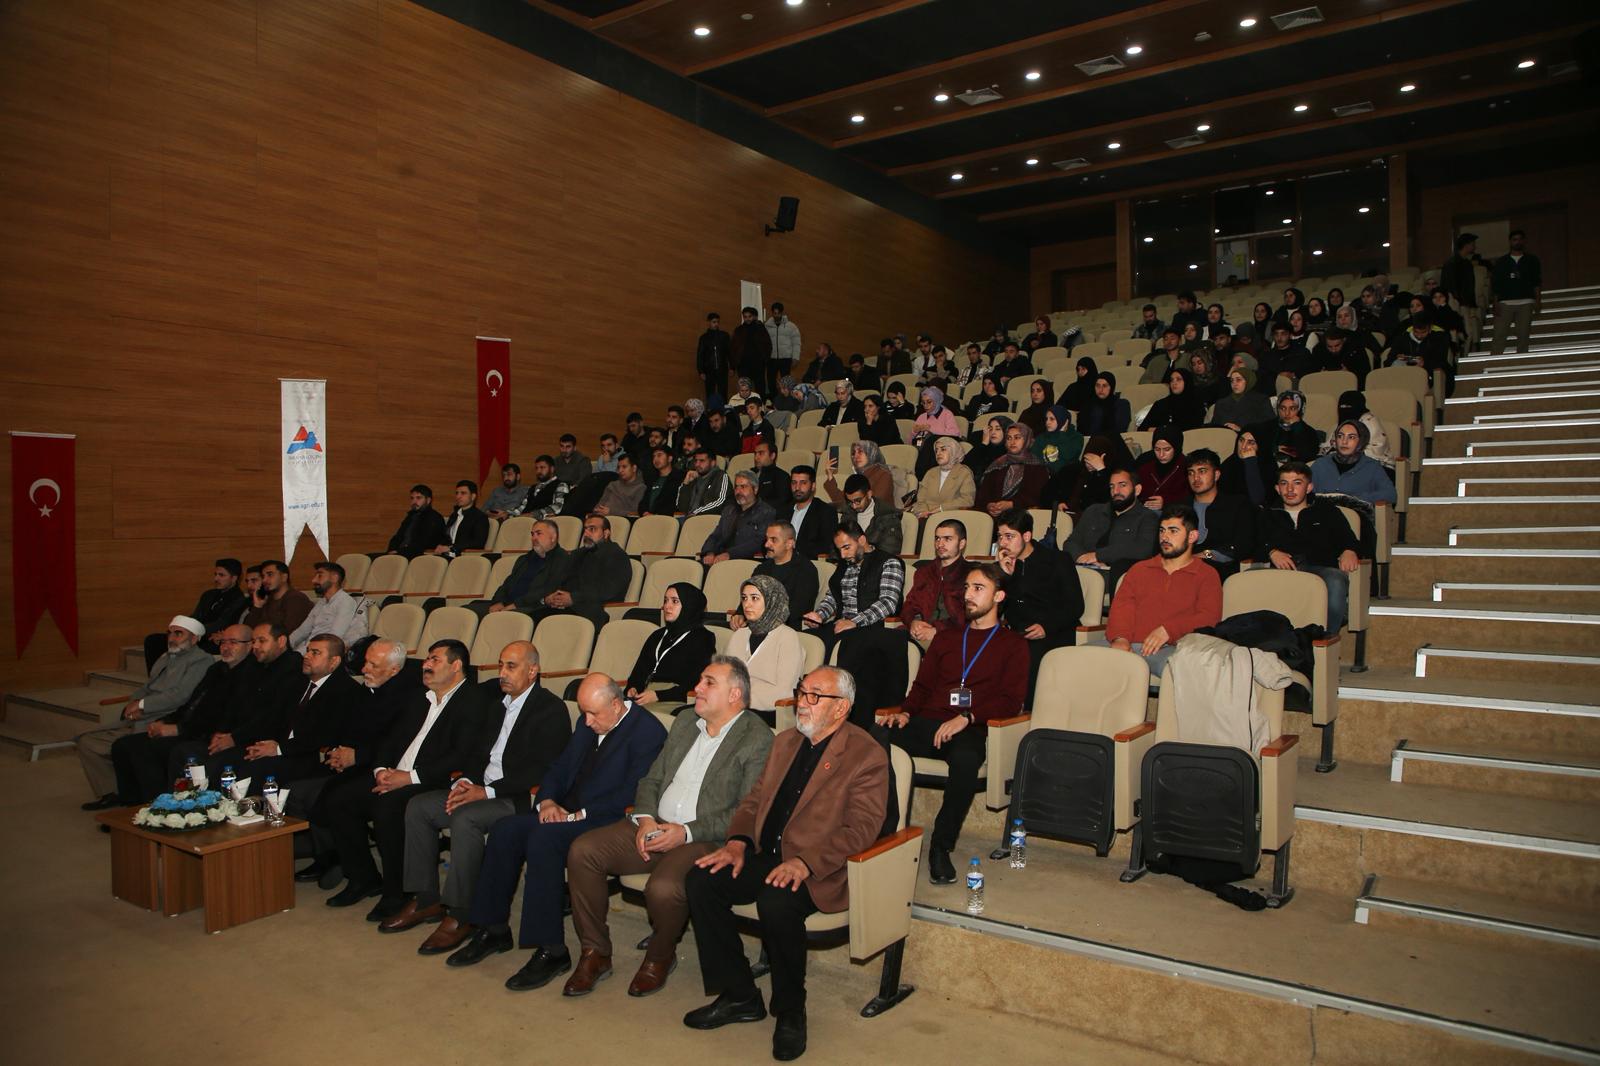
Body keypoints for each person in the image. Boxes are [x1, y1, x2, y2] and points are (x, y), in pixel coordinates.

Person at [683, 666, 888, 1062]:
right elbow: (754, 801)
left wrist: (805, 862)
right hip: (767, 854)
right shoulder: (785, 742)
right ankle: (740, 995)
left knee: (776, 900)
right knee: (702, 879)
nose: (802, 703)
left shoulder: (866, 755)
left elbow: (861, 830)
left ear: (841, 707)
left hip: (821, 867)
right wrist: (739, 843)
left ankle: (791, 1010)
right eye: (801, 692)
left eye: (815, 696)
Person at [563, 658, 774, 997]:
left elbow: (744, 811)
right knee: (583, 851)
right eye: (700, 680)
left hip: (703, 838)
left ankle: (660, 956)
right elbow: (652, 778)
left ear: (735, 694)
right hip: (655, 824)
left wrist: (685, 832)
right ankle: (595, 952)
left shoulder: (757, 738)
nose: (697, 688)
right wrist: (646, 817)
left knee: (663, 888)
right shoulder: (686, 721)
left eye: (709, 683)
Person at [445, 674, 668, 987]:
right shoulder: (589, 721)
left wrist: (578, 815)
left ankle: (551, 949)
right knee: (506, 830)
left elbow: (635, 792)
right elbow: (561, 767)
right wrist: (548, 800)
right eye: (584, 713)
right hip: (567, 810)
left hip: (606, 819)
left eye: (594, 714)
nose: (587, 721)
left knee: (544, 839)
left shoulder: (647, 732)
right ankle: (493, 928)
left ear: (617, 705)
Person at [382, 640, 574, 944]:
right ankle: (426, 898)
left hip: (516, 797)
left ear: (533, 671)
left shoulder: (550, 709)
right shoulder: (496, 705)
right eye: (500, 665)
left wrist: (486, 792)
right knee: (419, 807)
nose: (502, 673)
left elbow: (540, 770)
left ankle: (461, 912)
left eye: (511, 666)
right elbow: (475, 755)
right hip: (481, 788)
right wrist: (465, 783)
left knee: (465, 818)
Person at [316, 639, 491, 914]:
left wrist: (408, 778)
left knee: (387, 807)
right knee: (340, 798)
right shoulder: (419, 697)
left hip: (432, 779)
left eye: (434, 660)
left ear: (456, 666)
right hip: (395, 774)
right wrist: (381, 770)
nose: (426, 665)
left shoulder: (474, 701)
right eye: (427, 659)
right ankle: (363, 878)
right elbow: (391, 739)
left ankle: (397, 892)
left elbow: (461, 755)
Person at [878, 563, 1027, 884]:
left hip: (968, 728)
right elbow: (922, 687)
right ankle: (883, 834)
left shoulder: (1013, 645)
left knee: (966, 760)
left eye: (978, 588)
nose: (968, 595)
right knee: (875, 737)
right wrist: (905, 712)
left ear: (999, 596)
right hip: (927, 721)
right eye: (967, 588)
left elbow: (1010, 700)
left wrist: (968, 716)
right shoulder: (947, 638)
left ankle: (940, 847)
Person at [291, 638, 425, 889]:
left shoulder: (410, 697)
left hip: (382, 767)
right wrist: (339, 752)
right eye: (366, 663)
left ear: (394, 670)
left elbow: (396, 744)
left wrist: (357, 756)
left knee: (335, 797)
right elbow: (348, 728)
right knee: (301, 790)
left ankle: (357, 874)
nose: (364, 670)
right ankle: (331, 858)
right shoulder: (367, 689)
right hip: (356, 762)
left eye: (373, 665)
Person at [77, 615, 215, 810]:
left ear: (194, 639)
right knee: (87, 742)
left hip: (163, 717)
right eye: (170, 633)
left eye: (178, 634)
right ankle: (111, 793)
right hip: (142, 715)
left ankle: (137, 801)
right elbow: (147, 687)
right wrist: (133, 704)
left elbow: (180, 696)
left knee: (129, 747)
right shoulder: (166, 657)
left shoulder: (201, 661)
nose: (172, 638)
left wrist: (142, 705)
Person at [111, 624, 258, 804]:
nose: (226, 647)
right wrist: (165, 721)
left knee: (149, 751)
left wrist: (179, 729)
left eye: (233, 642)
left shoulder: (251, 674)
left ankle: (159, 806)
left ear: (250, 645)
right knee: (123, 745)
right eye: (223, 642)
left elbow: (223, 718)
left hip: (209, 736)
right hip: (191, 728)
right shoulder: (216, 669)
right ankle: (131, 807)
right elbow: (192, 705)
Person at [224, 632, 364, 793]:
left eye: (315, 653)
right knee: (234, 758)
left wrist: (279, 749)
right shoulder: (297, 682)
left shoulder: (347, 691)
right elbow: (273, 717)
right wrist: (262, 744)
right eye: (308, 650)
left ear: (334, 661)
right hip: (283, 749)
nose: (307, 656)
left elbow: (324, 735)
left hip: (312, 757)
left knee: (257, 768)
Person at [802, 523, 907, 725]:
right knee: (805, 639)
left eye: (846, 547)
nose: (843, 555)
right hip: (843, 626)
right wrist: (820, 615)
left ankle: (838, 710)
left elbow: (888, 603)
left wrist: (855, 622)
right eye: (839, 549)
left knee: (852, 646)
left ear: (862, 540)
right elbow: (832, 598)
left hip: (870, 627)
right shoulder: (845, 565)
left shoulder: (889, 562)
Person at [1106, 504, 1223, 678]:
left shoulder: (1207, 575)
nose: (1165, 537)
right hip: (1128, 645)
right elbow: (1121, 608)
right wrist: (1120, 638)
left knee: (1180, 669)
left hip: (1171, 648)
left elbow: (1209, 618)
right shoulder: (1140, 569)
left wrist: (1168, 630)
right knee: (1073, 659)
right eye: (1162, 530)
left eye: (1173, 531)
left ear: (1192, 536)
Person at [1259, 462, 1361, 633]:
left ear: (1309, 487)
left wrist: (1349, 550)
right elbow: (1252, 542)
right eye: (1284, 483)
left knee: (1335, 579)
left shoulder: (1327, 512)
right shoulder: (1266, 515)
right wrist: (1271, 551)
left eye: (1297, 483)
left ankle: (1326, 637)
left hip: (1319, 569)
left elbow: (1349, 538)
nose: (1290, 489)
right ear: (1277, 488)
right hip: (1280, 571)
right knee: (1245, 579)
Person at [994, 509, 1083, 700]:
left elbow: (1075, 606)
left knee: (1028, 655)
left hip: (1055, 630)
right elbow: (998, 610)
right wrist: (1006, 577)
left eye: (1009, 536)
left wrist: (1046, 626)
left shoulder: (1057, 560)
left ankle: (1027, 711)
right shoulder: (1001, 567)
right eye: (1000, 537)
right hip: (1019, 632)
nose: (1003, 543)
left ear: (1026, 536)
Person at [527, 514, 632, 631]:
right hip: (566, 607)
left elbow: (608, 589)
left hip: (591, 609)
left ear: (606, 533)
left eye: (592, 529)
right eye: (585, 529)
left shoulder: (616, 555)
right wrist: (549, 597)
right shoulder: (578, 554)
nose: (586, 533)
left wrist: (573, 598)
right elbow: (559, 579)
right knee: (529, 619)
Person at [726, 577, 806, 726]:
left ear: (772, 601)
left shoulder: (787, 637)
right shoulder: (739, 635)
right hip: (734, 706)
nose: (747, 604)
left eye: (754, 598)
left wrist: (739, 697)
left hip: (767, 712)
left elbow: (785, 691)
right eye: (744, 598)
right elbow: (725, 678)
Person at [141, 558, 244, 669]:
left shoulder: (239, 599)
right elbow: (195, 616)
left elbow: (222, 623)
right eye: (215, 574)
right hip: (193, 633)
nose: (216, 578)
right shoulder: (208, 595)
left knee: (186, 646)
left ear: (234, 578)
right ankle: (158, 676)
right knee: (153, 640)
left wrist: (192, 631)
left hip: (211, 638)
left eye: (221, 575)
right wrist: (182, 628)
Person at [623, 584, 717, 707]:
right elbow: (638, 673)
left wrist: (658, 695)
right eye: (666, 600)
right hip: (644, 696)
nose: (667, 606)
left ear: (689, 606)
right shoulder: (657, 635)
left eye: (675, 601)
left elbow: (697, 683)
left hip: (674, 699)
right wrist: (633, 688)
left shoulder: (702, 638)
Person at [1064, 468, 1159, 587]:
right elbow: (1071, 543)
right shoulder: (1094, 511)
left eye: (1122, 485)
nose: (1116, 491)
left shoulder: (1147, 517)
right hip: (1081, 570)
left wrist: (1098, 556)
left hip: (1115, 575)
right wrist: (1083, 558)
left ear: (1137, 490)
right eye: (1112, 486)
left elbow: (1143, 549)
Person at [1185, 449, 1256, 579]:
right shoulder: (1179, 508)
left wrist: (1207, 555)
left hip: (1221, 572)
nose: (1196, 478)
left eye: (1202, 471)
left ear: (1216, 475)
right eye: (1191, 473)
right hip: (1182, 571)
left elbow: (1243, 545)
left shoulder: (1237, 505)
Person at [734, 522, 817, 631]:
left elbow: (797, 610)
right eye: (767, 539)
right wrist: (739, 614)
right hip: (755, 624)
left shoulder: (806, 570)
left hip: (785, 629)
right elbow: (749, 597)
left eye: (773, 540)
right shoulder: (762, 568)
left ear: (789, 544)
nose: (766, 544)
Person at [901, 518, 969, 645]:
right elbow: (910, 605)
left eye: (947, 539)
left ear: (961, 543)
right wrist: (914, 621)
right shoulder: (924, 572)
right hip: (918, 632)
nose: (940, 544)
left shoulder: (971, 574)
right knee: (882, 641)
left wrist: (937, 630)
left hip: (953, 635)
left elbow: (970, 615)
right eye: (937, 538)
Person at [482, 519, 563, 617]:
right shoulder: (524, 559)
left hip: (533, 608)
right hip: (507, 604)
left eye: (539, 534)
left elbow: (546, 591)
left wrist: (516, 605)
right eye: (532, 534)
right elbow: (507, 584)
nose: (534, 538)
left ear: (553, 537)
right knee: (471, 611)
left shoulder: (562, 560)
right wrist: (499, 602)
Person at [698, 470, 776, 565]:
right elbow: (715, 536)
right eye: (736, 487)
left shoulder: (766, 512)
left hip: (746, 561)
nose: (738, 492)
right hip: (720, 559)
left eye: (743, 487)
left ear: (755, 489)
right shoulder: (729, 510)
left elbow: (759, 542)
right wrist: (709, 553)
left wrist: (730, 554)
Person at [288, 560, 369, 653]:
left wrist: (303, 652)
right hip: (307, 649)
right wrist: (284, 646)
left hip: (320, 652)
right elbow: (302, 630)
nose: (313, 580)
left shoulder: (345, 601)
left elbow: (334, 637)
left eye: (320, 575)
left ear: (334, 578)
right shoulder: (321, 603)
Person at [976, 422, 1048, 516]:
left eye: (1017, 437)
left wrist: (1011, 504)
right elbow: (983, 494)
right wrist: (989, 505)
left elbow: (1037, 497)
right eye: (1009, 438)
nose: (1012, 442)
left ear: (1027, 440)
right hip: (993, 516)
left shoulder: (1037, 467)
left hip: (1023, 516)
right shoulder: (997, 464)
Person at [1490, 229, 1541, 355]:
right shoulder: (1501, 262)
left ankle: (1522, 361)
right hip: (1505, 302)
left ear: (1524, 241)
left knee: (1523, 334)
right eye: (1514, 240)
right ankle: (1494, 361)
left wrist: (1538, 300)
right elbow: (1496, 284)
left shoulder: (1532, 260)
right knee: (1499, 334)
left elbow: (1536, 282)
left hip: (1526, 301)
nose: (1517, 242)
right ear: (1510, 242)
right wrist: (1495, 302)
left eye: (1520, 239)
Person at [833, 473, 903, 555]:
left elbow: (889, 553)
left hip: (876, 561)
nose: (854, 506)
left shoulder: (889, 516)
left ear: (869, 494)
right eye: (850, 502)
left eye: (858, 501)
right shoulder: (847, 513)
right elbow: (836, 548)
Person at [241, 559, 314, 636]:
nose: (264, 580)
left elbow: (289, 633)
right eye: (263, 576)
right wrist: (257, 606)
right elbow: (248, 631)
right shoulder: (267, 600)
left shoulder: (296, 598)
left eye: (270, 575)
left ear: (284, 577)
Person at [776, 465, 832, 561]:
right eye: (794, 483)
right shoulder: (782, 511)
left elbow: (825, 546)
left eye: (803, 483)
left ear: (813, 486)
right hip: (780, 561)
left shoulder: (825, 512)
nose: (797, 488)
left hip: (807, 563)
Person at [1439, 233, 1483, 350]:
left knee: (1467, 333)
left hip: (1464, 302)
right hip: (1456, 302)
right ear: (1466, 245)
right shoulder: (1452, 263)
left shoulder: (1466, 263)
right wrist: (1457, 301)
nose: (1474, 246)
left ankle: (1464, 353)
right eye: (1472, 244)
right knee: (1460, 332)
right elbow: (1450, 285)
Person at [823, 441, 896, 512]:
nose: (856, 456)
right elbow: (841, 499)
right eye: (853, 453)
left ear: (871, 454)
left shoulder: (884, 475)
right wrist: (830, 475)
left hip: (881, 518)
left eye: (860, 452)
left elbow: (872, 504)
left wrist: (833, 506)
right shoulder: (857, 476)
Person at [915, 436, 976, 516]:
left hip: (950, 516)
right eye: (936, 450)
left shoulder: (964, 473)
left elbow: (967, 500)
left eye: (943, 449)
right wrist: (923, 512)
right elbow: (921, 499)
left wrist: (940, 509)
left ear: (953, 451)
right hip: (925, 515)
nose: (938, 453)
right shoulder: (930, 472)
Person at [1136, 427, 1191, 510]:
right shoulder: (1145, 465)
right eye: (1157, 449)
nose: (1161, 455)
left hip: (1176, 513)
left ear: (1176, 448)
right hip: (1144, 512)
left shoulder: (1186, 467)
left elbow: (1191, 498)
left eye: (1167, 449)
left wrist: (1166, 502)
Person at [388, 484, 449, 559]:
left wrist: (399, 552)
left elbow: (424, 543)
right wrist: (392, 550)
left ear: (428, 500)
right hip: (401, 554)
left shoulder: (434, 518)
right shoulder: (410, 517)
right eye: (412, 498)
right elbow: (397, 537)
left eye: (418, 498)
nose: (414, 501)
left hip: (419, 557)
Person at [1219, 428, 1276, 505]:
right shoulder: (1229, 465)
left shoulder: (1268, 466)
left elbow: (1258, 499)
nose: (1243, 446)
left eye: (1251, 443)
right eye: (1241, 440)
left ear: (1260, 446)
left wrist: (1250, 462)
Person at [1139, 367, 1206, 432]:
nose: (1174, 383)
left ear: (1187, 382)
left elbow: (1195, 429)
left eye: (1178, 379)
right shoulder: (1161, 404)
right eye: (1171, 380)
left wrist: (1164, 430)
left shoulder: (1196, 404)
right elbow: (1142, 429)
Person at [678, 448, 731, 517]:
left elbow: (720, 501)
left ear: (713, 463)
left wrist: (696, 512)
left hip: (708, 519)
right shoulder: (693, 477)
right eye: (696, 461)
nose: (697, 464)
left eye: (702, 461)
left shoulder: (721, 476)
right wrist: (685, 484)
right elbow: (681, 507)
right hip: (688, 518)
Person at [764, 302, 801, 398]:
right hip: (771, 358)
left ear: (782, 313)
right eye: (774, 313)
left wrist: (795, 357)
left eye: (778, 313)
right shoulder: (766, 326)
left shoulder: (791, 326)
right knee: (771, 381)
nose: (776, 315)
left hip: (785, 359)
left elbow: (796, 343)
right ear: (772, 313)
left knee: (786, 382)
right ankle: (773, 400)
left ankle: (786, 399)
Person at [593, 452, 646, 516]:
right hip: (601, 517)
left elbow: (636, 513)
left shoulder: (641, 488)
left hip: (620, 520)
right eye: (618, 467)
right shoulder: (612, 484)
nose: (620, 470)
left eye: (624, 467)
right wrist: (596, 511)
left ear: (634, 468)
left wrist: (611, 512)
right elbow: (599, 505)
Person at [1079, 371, 1131, 436]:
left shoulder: (1122, 405)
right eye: (1097, 386)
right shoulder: (1087, 405)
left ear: (1111, 387)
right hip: (1090, 440)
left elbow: (1120, 429)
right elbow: (1081, 431)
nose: (1100, 389)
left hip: (1114, 440)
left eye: (1105, 386)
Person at [519, 456, 570, 520]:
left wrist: (534, 514)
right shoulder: (533, 487)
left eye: (542, 467)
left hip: (545, 522)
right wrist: (509, 513)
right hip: (525, 520)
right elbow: (522, 507)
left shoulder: (560, 485)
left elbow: (558, 506)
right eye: (536, 468)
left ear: (552, 469)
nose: (538, 471)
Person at [640, 446, 685, 516]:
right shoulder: (652, 479)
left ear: (670, 458)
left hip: (669, 518)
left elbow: (676, 503)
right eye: (654, 456)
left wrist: (657, 516)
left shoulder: (680, 477)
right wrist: (644, 512)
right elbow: (643, 503)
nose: (655, 459)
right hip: (649, 518)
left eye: (659, 455)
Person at [697, 312, 732, 401]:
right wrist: (701, 371)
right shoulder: (704, 338)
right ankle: (710, 408)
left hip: (722, 368)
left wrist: (732, 367)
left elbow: (729, 352)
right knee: (710, 392)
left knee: (723, 392)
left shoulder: (724, 336)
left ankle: (724, 408)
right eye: (714, 322)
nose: (716, 324)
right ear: (708, 322)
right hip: (709, 370)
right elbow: (700, 355)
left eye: (717, 322)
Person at [746, 439, 788, 508]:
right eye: (755, 454)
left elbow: (782, 502)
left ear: (772, 456)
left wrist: (754, 505)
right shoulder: (749, 475)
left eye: (761, 453)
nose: (756, 458)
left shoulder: (781, 476)